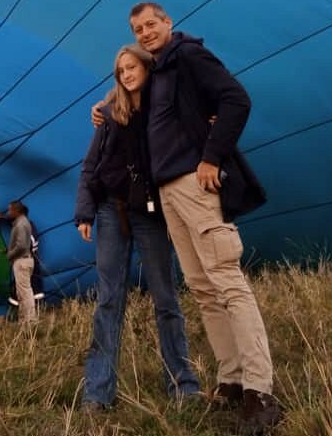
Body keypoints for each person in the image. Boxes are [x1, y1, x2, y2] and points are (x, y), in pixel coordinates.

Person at [94, 2, 281, 432]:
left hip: (194, 185)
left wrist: (212, 157)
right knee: (202, 288)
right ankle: (231, 379)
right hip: (166, 194)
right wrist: (102, 109)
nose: (145, 32)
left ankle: (260, 390)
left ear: (168, 22)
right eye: (138, 28)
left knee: (227, 282)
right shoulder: (157, 71)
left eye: (151, 24)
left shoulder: (189, 56)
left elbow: (236, 98)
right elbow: (133, 100)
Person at [75, 43, 201, 411]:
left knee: (166, 297)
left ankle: (183, 385)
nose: (126, 75)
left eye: (132, 67)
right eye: (120, 71)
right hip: (112, 211)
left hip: (151, 214)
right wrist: (84, 211)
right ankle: (97, 392)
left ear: (147, 69)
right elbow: (90, 166)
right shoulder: (111, 114)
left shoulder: (164, 111)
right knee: (109, 300)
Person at [4, 200, 37, 324]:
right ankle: (24, 320)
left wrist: (10, 254)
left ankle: (30, 320)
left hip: (22, 261)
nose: (8, 212)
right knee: (21, 292)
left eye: (10, 210)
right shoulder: (21, 222)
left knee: (25, 292)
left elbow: (22, 245)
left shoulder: (21, 224)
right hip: (24, 260)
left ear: (16, 211)